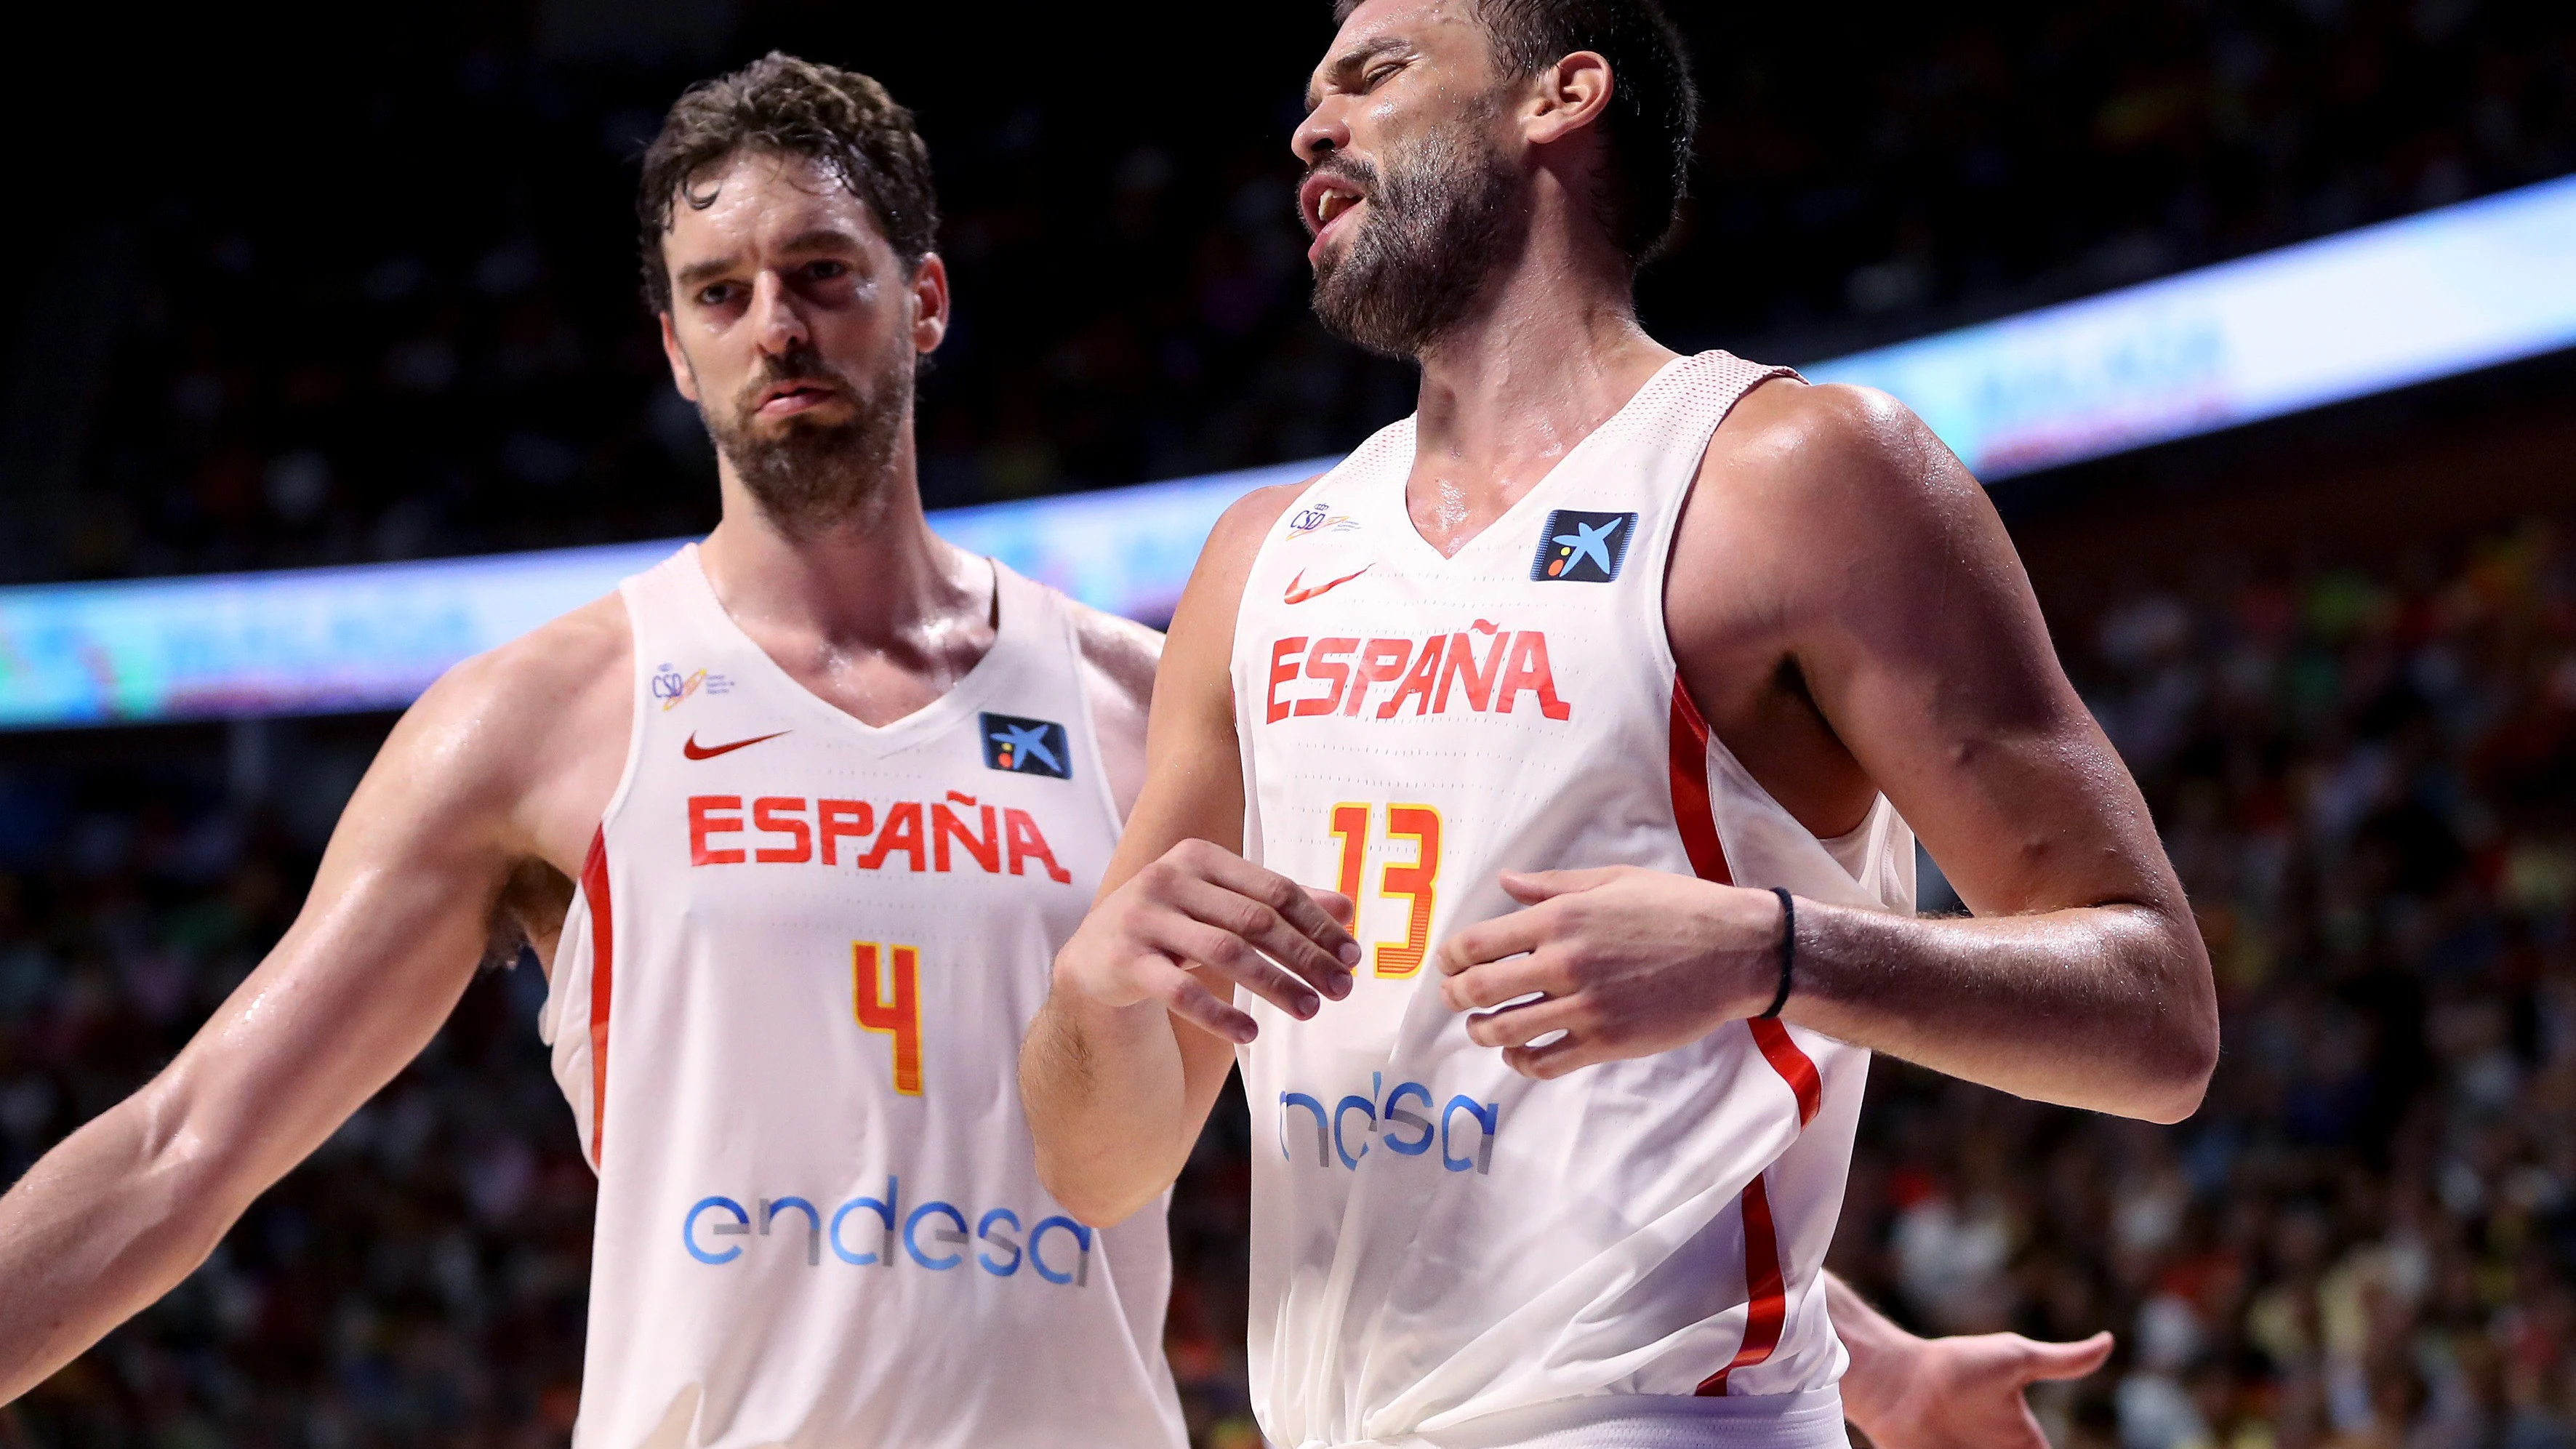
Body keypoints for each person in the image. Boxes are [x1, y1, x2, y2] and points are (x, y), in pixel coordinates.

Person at [1021, 2, 2220, 1448]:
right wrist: (1095, 996)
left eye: (1375, 72)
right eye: (1310, 93)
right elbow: (1100, 1167)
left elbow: (2157, 1021)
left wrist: (1770, 951)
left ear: (1560, 97)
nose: (1312, 126)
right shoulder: (1260, 557)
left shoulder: (1789, 476)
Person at [0, 55, 1184, 1448]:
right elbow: (182, 1147)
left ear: (921, 302)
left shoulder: (1141, 704)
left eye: (821, 273)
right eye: (720, 293)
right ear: (675, 349)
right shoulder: (538, 718)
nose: (775, 327)